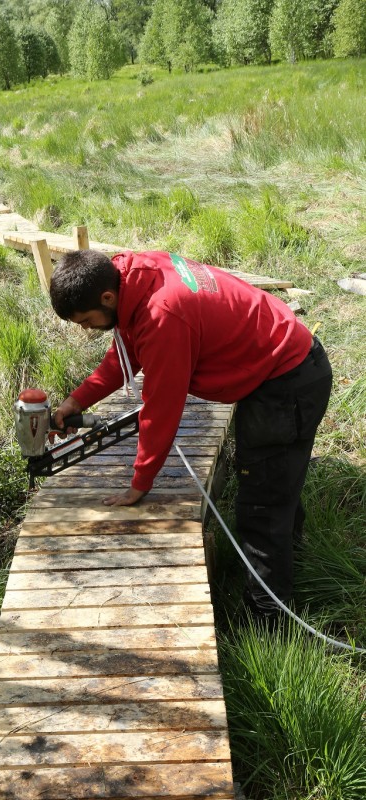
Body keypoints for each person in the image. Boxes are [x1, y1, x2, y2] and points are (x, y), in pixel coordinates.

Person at [49, 249, 332, 621]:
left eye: (86, 320)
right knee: (276, 484)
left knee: (261, 509)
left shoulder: (163, 314)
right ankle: (291, 555)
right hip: (286, 361)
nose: (86, 328)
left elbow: (162, 407)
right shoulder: (131, 275)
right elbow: (127, 351)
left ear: (106, 297)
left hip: (286, 383)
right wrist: (77, 400)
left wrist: (140, 483)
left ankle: (270, 620)